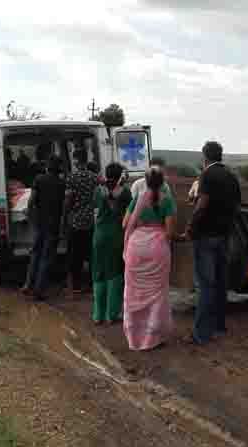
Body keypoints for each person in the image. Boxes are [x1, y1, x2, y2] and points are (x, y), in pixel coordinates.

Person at [184, 141, 241, 345]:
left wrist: (190, 227)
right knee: (219, 283)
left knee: (205, 285)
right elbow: (236, 206)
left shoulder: (207, 175)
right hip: (224, 236)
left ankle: (201, 334)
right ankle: (219, 326)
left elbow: (202, 204)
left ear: (205, 157)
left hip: (205, 236)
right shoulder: (231, 177)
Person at [122, 166, 177, 351]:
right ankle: (152, 338)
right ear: (162, 182)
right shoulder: (167, 201)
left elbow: (125, 223)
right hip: (157, 248)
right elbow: (169, 232)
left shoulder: (138, 199)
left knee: (133, 291)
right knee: (157, 293)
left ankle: (134, 338)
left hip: (136, 247)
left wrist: (141, 225)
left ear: (145, 181)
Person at [21, 155, 65, 301]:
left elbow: (32, 200)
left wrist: (29, 213)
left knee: (35, 254)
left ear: (47, 166)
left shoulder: (39, 179)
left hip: (39, 223)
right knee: (46, 258)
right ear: (59, 168)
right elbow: (64, 206)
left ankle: (27, 284)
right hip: (53, 225)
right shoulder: (61, 183)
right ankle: (38, 291)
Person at [92, 162, 132, 325]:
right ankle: (112, 314)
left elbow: (96, 210)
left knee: (98, 273)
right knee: (115, 273)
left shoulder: (98, 190)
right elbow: (129, 213)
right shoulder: (125, 192)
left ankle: (97, 315)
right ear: (120, 175)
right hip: (116, 236)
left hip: (99, 235)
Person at [65, 148, 97, 294]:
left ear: (76, 160)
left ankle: (76, 285)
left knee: (75, 255)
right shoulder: (94, 177)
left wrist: (65, 214)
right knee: (90, 254)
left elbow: (68, 200)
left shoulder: (72, 178)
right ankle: (90, 283)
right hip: (90, 221)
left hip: (76, 221)